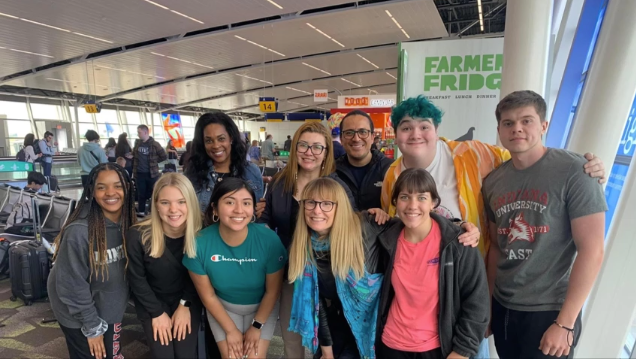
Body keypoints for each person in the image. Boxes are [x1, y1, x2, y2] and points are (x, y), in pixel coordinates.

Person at [379, 95, 606, 358]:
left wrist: (590, 168)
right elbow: (399, 229)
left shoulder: (474, 154)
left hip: (477, 292)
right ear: (395, 134)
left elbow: (529, 158)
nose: (416, 134)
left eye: (424, 126)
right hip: (477, 301)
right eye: (406, 127)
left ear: (436, 130)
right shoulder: (392, 175)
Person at [482, 90, 607, 359]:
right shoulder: (492, 182)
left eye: (526, 120)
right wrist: (490, 306)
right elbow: (496, 248)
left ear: (543, 125)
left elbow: (592, 250)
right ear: (500, 130)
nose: (517, 128)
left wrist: (565, 322)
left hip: (550, 310)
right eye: (508, 123)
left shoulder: (576, 171)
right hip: (505, 306)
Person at [256, 121, 360, 359]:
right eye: (303, 145)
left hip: (326, 278)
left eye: (316, 147)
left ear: (326, 153)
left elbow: (350, 227)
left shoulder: (338, 187)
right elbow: (266, 220)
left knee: (325, 343)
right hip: (288, 272)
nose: (309, 152)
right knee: (291, 339)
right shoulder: (281, 183)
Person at [376, 168, 489, 359]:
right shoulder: (386, 239)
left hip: (438, 348)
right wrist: (371, 214)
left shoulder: (459, 243)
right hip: (391, 345)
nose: (412, 205)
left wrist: (462, 351)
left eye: (421, 197)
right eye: (404, 197)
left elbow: (477, 301)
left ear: (433, 203)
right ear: (395, 202)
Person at [183, 178, 287, 359]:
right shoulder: (199, 243)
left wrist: (257, 327)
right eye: (230, 202)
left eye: (246, 203)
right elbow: (208, 296)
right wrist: (230, 330)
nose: (239, 210)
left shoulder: (269, 240)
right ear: (215, 208)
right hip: (223, 308)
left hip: (262, 308)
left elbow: (273, 291)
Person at [288, 177, 388, 359]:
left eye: (327, 204)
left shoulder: (367, 226)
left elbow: (416, 230)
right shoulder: (306, 247)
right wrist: (327, 351)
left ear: (339, 207)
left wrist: (457, 227)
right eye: (310, 202)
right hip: (337, 327)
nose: (317, 210)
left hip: (379, 329)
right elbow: (317, 306)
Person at [47, 163, 136, 359]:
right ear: (92, 192)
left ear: (127, 188)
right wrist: (92, 327)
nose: (110, 192)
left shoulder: (129, 222)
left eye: (118, 185)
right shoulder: (80, 231)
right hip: (78, 312)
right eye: (101, 187)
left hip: (109, 304)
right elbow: (71, 285)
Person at [126, 173, 203, 359]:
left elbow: (198, 278)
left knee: (185, 354)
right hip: (152, 300)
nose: (173, 209)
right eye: (165, 202)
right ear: (156, 205)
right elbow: (137, 279)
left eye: (181, 202)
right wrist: (157, 313)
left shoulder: (202, 233)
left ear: (190, 204)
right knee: (164, 354)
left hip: (186, 299)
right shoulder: (138, 235)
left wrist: (185, 306)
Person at [184, 112, 263, 213]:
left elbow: (256, 214)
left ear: (231, 138)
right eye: (209, 141)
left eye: (221, 139)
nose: (216, 145)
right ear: (202, 144)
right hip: (204, 229)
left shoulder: (251, 172)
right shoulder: (193, 174)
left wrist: (264, 208)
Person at [335, 110, 393, 210]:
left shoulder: (390, 170)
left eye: (363, 132)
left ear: (372, 137)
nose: (356, 139)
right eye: (349, 133)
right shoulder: (332, 172)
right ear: (341, 139)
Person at [133, 125, 168, 214]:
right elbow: (135, 155)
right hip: (140, 173)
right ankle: (141, 211)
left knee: (153, 193)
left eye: (139, 132)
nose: (138, 134)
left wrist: (154, 162)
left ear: (145, 132)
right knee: (141, 193)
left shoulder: (155, 144)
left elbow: (163, 156)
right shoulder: (137, 144)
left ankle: (152, 211)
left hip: (152, 174)